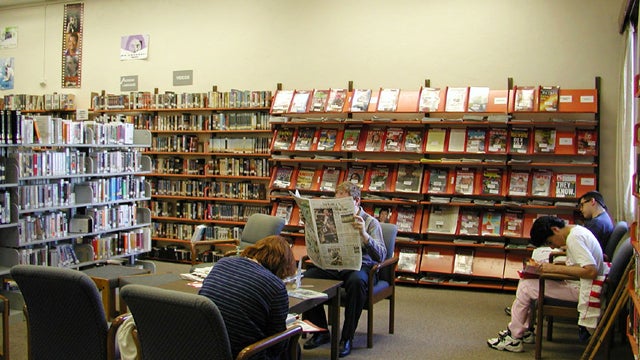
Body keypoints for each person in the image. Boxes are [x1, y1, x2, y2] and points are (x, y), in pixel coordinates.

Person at [488, 215, 605, 353]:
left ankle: (514, 337)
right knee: (527, 282)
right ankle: (523, 330)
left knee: (526, 287)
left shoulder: (574, 239)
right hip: (582, 284)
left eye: (550, 242)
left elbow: (591, 271)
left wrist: (553, 268)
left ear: (555, 229)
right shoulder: (577, 230)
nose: (553, 246)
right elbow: (581, 264)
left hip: (584, 289)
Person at [302, 181, 386, 357]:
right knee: (307, 278)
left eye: (342, 204)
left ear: (356, 201)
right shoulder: (329, 219)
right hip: (335, 264)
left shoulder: (371, 222)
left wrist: (364, 235)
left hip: (360, 267)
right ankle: (320, 332)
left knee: (356, 282)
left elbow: (381, 255)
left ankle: (346, 337)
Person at [198, 235, 297, 360]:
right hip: (243, 354)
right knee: (293, 343)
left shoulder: (222, 263)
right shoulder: (275, 286)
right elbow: (277, 345)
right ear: (283, 265)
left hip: (205, 347)